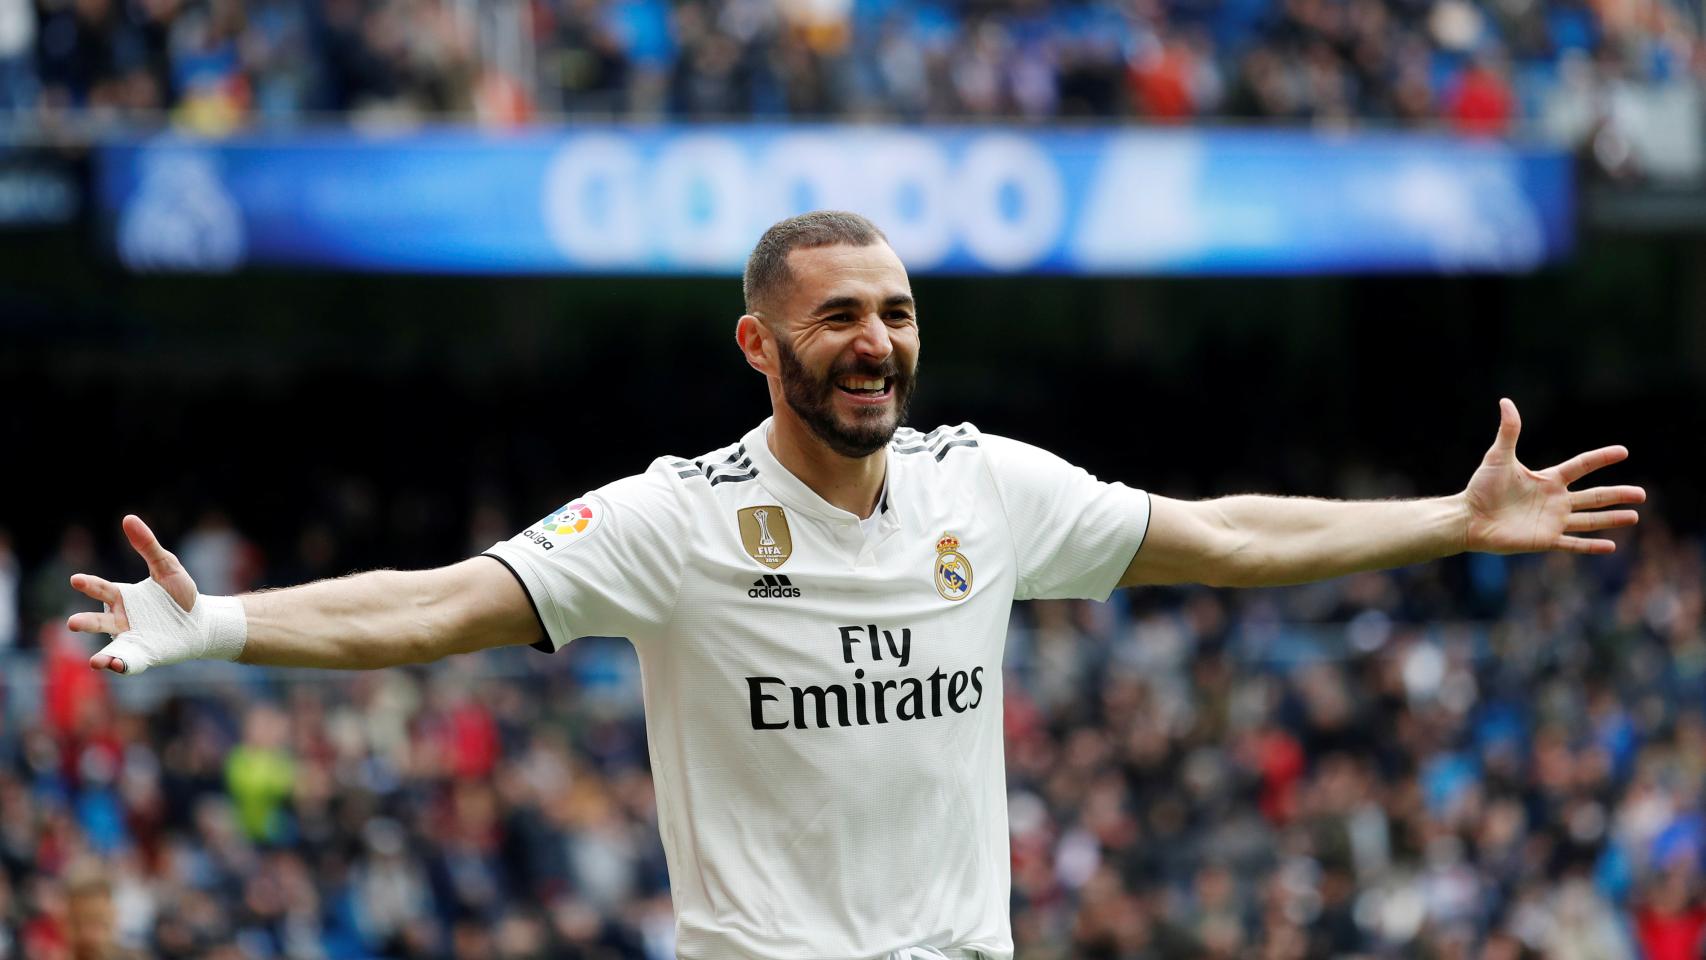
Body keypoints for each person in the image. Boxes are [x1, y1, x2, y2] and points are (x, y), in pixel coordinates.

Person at [66, 210, 1645, 960]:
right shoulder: (674, 524)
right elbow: (435, 604)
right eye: (834, 318)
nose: (873, 339)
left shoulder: (988, 489)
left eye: (891, 311)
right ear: (760, 345)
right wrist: (220, 629)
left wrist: (1444, 522)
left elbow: (1222, 536)